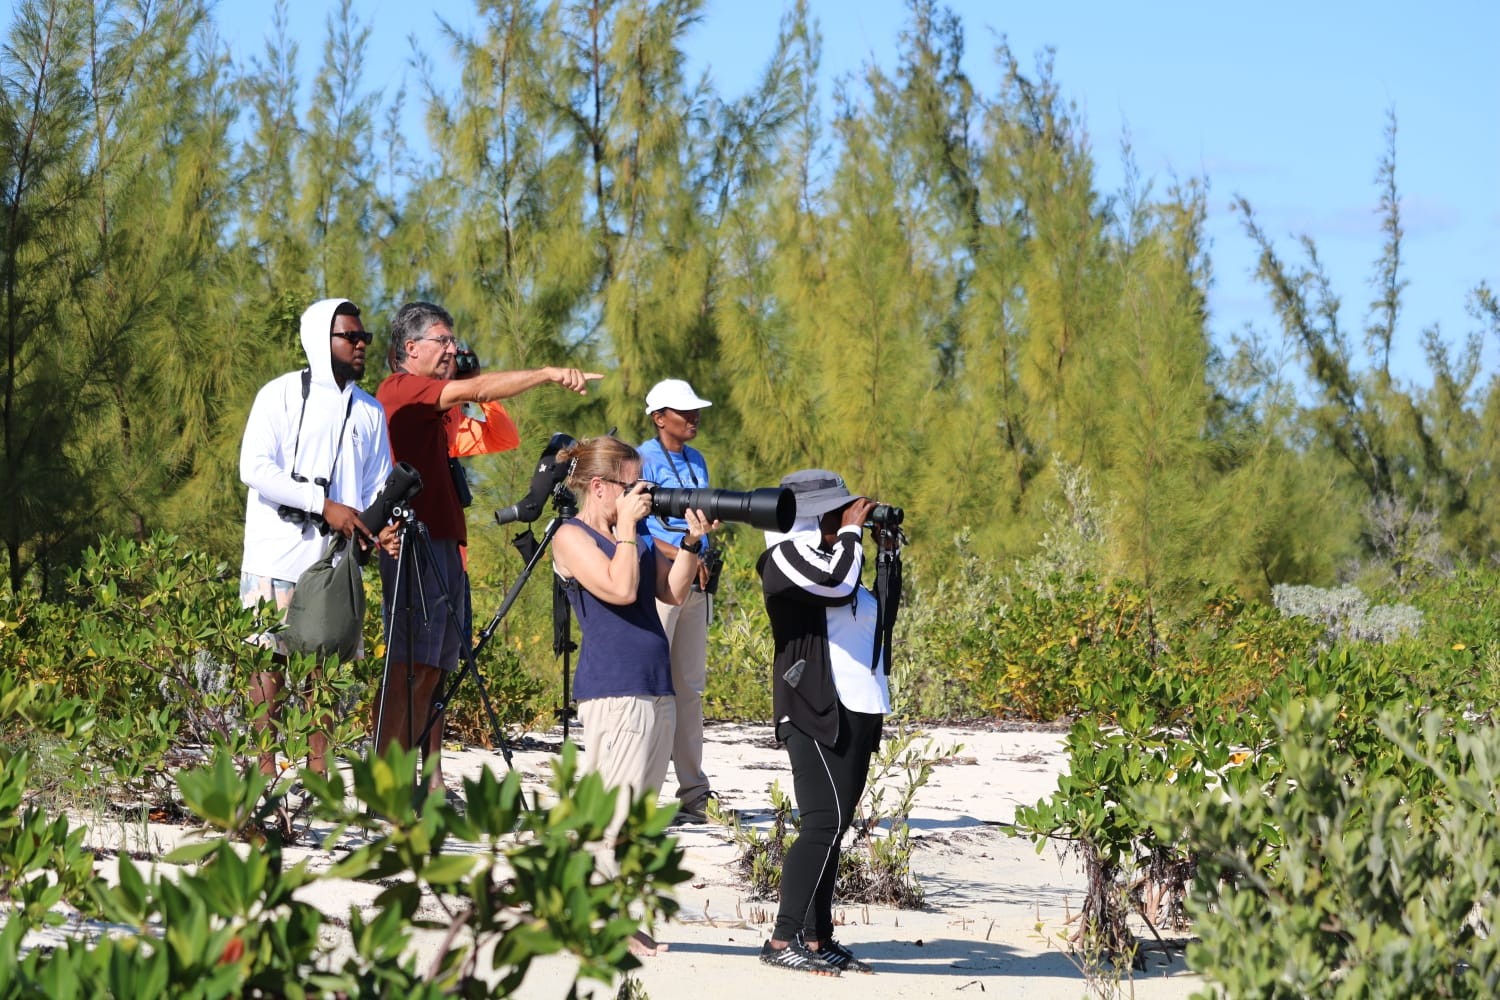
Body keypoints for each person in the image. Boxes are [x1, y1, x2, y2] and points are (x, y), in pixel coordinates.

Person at [373, 300, 600, 793]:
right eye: (443, 341)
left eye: (455, 343)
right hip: (414, 542)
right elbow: (474, 388)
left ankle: (425, 785)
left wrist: (477, 390)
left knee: (435, 672)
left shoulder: (442, 412)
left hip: (446, 545)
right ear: (410, 348)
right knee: (407, 667)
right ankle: (386, 785)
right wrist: (545, 373)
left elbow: (500, 432)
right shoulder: (400, 388)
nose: (453, 350)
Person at [549, 435, 718, 956]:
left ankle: (613, 915)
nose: (643, 494)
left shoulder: (637, 535)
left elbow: (671, 592)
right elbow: (619, 590)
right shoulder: (570, 537)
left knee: (635, 817)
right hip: (615, 688)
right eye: (631, 484)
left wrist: (690, 545)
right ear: (599, 487)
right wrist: (627, 529)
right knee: (613, 814)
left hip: (654, 686)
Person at [239, 298, 399, 777]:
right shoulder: (280, 395)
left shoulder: (370, 412)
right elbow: (255, 468)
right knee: (268, 663)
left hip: (334, 565)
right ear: (318, 341)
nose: (361, 345)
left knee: (323, 671)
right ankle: (265, 772)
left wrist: (380, 529)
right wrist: (321, 504)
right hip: (275, 557)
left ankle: (317, 774)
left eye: (364, 338)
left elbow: (377, 485)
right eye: (350, 337)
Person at [756, 469, 892, 976]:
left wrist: (885, 552)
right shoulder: (783, 557)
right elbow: (835, 585)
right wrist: (854, 536)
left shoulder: (840, 556)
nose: (845, 516)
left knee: (835, 829)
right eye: (836, 511)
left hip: (856, 705)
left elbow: (877, 613)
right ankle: (781, 937)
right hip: (811, 706)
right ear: (809, 516)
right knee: (821, 823)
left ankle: (817, 937)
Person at [638, 379, 718, 822]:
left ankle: (694, 793)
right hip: (661, 582)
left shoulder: (697, 459)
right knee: (652, 687)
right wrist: (682, 552)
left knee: (689, 688)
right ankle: (642, 792)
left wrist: (702, 541)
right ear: (658, 417)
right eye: (683, 411)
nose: (693, 417)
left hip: (695, 582)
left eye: (695, 409)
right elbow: (636, 528)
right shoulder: (641, 459)